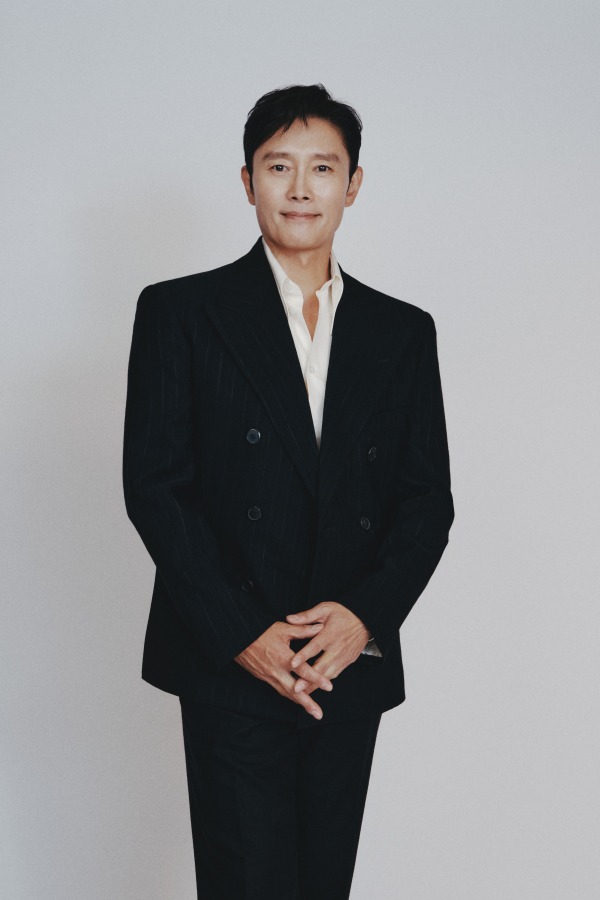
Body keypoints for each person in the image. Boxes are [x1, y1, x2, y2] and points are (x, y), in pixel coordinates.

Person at [123, 83, 454, 900]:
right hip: (231, 654)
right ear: (248, 182)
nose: (301, 188)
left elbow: (426, 501)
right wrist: (244, 634)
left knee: (322, 886)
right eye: (279, 166)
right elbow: (155, 488)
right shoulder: (181, 312)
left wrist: (363, 617)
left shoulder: (402, 331)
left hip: (345, 660)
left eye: (322, 167)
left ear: (354, 183)